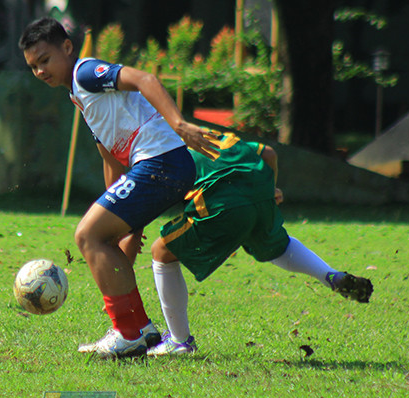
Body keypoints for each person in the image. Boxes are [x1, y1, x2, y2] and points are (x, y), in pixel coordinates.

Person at [19, 16, 217, 358]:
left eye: (45, 60)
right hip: (157, 165)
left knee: (86, 235)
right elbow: (110, 157)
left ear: (67, 47)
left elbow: (145, 79)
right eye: (33, 66)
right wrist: (122, 222)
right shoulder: (78, 95)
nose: (40, 71)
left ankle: (131, 331)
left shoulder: (85, 73)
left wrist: (180, 124)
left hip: (162, 161)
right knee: (99, 236)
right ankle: (133, 329)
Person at [145, 128, 374, 355]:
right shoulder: (217, 137)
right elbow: (269, 154)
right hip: (259, 194)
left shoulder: (167, 152)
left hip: (224, 205)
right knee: (278, 246)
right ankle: (329, 274)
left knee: (161, 252)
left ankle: (179, 340)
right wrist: (270, 189)